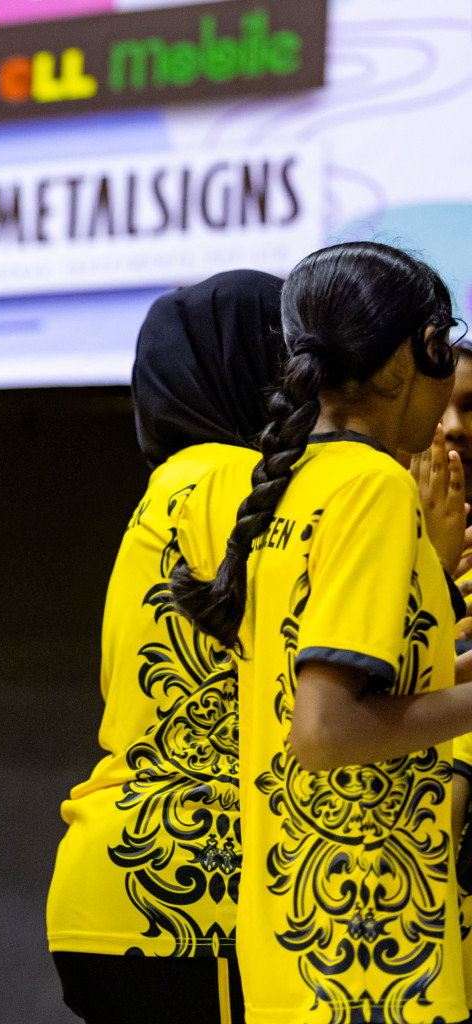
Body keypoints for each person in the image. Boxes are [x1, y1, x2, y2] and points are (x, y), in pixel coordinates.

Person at [171, 241, 472, 1024]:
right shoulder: (373, 486)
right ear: (419, 354)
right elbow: (325, 730)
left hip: (293, 939)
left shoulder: (295, 483)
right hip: (369, 947)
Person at [44, 270, 286, 1024]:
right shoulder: (227, 479)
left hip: (141, 885)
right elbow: (325, 659)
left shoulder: (181, 482)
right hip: (186, 894)